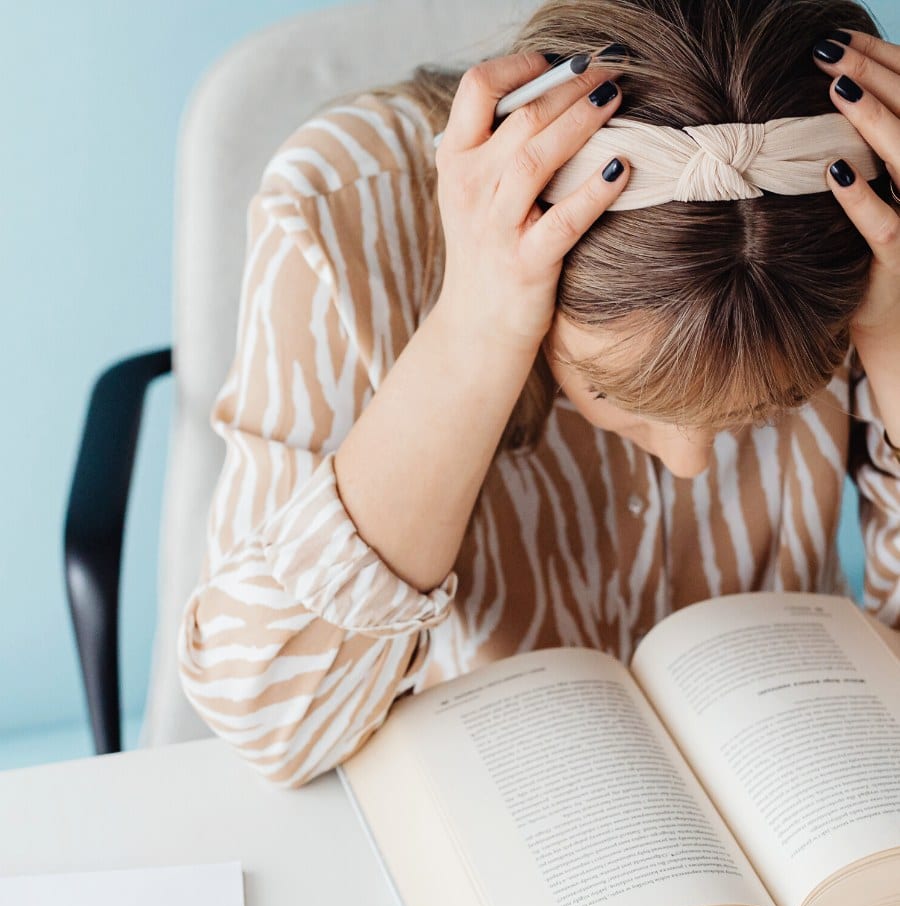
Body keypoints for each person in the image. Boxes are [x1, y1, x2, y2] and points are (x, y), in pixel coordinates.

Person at [177, 0, 900, 789]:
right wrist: (474, 330)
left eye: (774, 404)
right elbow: (272, 725)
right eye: (608, 386)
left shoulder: (872, 222)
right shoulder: (342, 204)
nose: (691, 462)